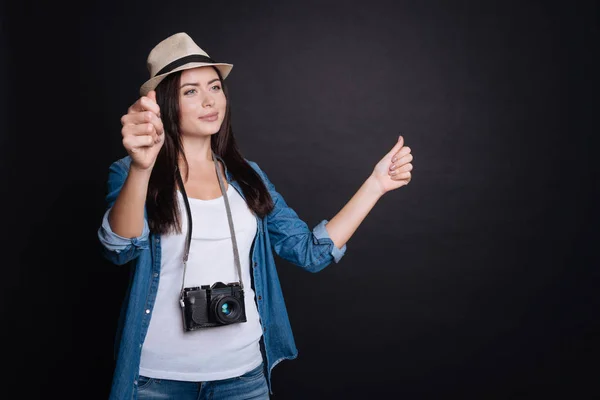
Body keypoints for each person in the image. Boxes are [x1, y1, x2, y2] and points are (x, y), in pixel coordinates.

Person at [98, 32, 413, 400]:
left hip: (242, 378)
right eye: (190, 91)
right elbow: (118, 247)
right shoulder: (131, 171)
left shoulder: (249, 176)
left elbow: (310, 251)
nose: (209, 100)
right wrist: (141, 167)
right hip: (156, 379)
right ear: (166, 103)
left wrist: (375, 185)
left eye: (215, 87)